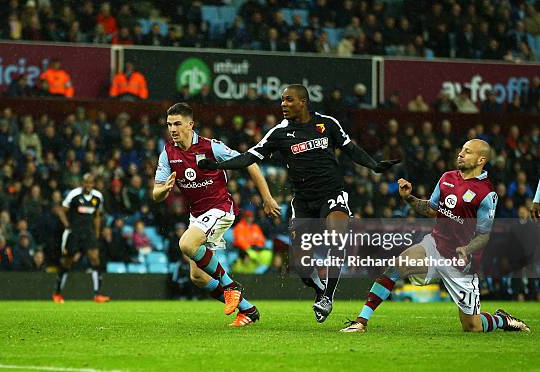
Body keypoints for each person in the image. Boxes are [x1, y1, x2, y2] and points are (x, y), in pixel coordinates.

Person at [198, 84, 399, 323]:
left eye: (289, 100)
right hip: (303, 201)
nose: (283, 104)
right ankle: (317, 289)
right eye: (282, 100)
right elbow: (250, 157)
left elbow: (350, 149)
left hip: (331, 194)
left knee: (338, 233)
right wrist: (217, 166)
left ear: (303, 101)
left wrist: (374, 165)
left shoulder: (327, 124)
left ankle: (327, 296)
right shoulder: (279, 133)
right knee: (301, 264)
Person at [341, 139, 530, 333]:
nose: (461, 154)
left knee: (472, 326)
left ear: (481, 159)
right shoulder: (447, 177)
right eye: (461, 150)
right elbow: (432, 210)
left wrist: (467, 248)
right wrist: (409, 198)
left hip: (461, 263)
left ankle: (501, 320)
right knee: (396, 266)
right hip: (435, 246)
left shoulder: (486, 194)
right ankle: (361, 321)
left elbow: (484, 236)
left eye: (467, 152)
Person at [153, 102, 280, 327]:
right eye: (169, 124)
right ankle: (248, 310)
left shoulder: (211, 148)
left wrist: (268, 198)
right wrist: (163, 190)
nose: (172, 129)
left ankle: (231, 286)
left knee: (186, 244)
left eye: (177, 123)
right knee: (198, 277)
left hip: (220, 209)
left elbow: (249, 163)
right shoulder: (168, 153)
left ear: (190, 125)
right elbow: (156, 193)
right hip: (198, 216)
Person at [52, 173, 110, 303]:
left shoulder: (97, 197)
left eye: (90, 183)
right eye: (86, 182)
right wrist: (67, 225)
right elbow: (61, 210)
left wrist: (96, 233)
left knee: (95, 259)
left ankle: (97, 294)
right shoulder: (74, 194)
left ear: (93, 184)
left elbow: (97, 216)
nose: (88, 185)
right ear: (82, 183)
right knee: (67, 261)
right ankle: (57, 293)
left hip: (88, 233)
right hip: (75, 233)